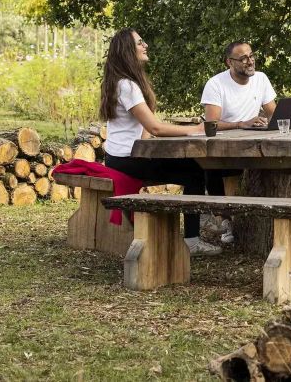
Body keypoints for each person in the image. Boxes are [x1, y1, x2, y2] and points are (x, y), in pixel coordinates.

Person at [100, 28, 223, 256]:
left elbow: (145, 131)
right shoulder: (127, 85)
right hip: (127, 160)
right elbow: (154, 127)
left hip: (118, 158)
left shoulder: (118, 82)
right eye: (140, 42)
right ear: (128, 50)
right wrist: (194, 130)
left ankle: (204, 225)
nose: (145, 45)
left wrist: (153, 146)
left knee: (191, 170)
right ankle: (193, 241)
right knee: (194, 171)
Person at [200, 41, 278, 243]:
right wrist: (242, 124)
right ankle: (224, 219)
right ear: (229, 62)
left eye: (251, 56)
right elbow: (211, 124)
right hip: (223, 145)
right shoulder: (216, 84)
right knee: (212, 165)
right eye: (243, 58)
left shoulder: (261, 79)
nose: (249, 61)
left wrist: (274, 121)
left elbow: (275, 115)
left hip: (253, 141)